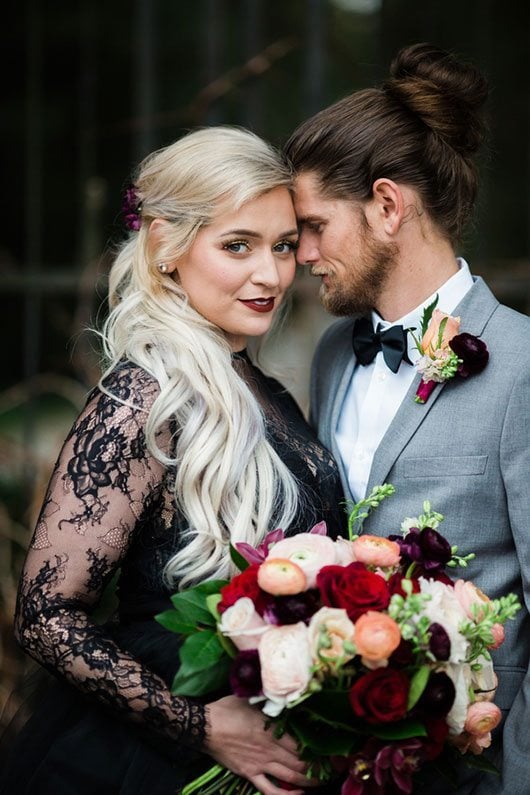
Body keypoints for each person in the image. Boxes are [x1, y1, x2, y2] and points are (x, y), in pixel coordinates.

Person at [0, 127, 345, 795]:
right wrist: (197, 725)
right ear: (165, 246)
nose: (270, 274)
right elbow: (46, 613)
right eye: (236, 245)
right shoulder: (142, 398)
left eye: (281, 246)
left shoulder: (262, 390)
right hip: (153, 759)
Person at [284, 43, 530, 795]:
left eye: (316, 225)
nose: (303, 254)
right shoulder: (333, 353)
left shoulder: (522, 364)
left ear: (388, 206)